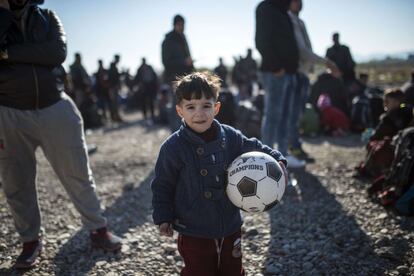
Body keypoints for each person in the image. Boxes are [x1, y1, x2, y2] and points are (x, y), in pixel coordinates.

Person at [0, 0, 121, 269]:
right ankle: (30, 241)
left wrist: (8, 54)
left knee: (77, 172)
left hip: (55, 105)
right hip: (8, 109)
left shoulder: (48, 17)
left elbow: (56, 52)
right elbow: (40, 53)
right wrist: (4, 16)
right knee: (15, 182)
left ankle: (98, 229)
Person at [151, 72, 288, 275]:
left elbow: (254, 146)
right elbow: (163, 185)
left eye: (206, 106)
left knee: (232, 268)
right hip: (193, 228)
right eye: (191, 107)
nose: (199, 113)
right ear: (180, 111)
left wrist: (277, 159)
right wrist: (163, 216)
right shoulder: (172, 148)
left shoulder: (230, 136)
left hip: (230, 224)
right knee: (199, 270)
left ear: (216, 108)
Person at [255, 0, 306, 168]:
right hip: (275, 72)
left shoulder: (284, 11)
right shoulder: (266, 8)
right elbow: (261, 40)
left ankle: (282, 157)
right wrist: (276, 66)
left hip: (290, 73)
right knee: (273, 116)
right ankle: (266, 159)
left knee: (285, 116)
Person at [288, 0, 339, 160]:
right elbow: (302, 51)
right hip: (295, 73)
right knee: (293, 114)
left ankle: (294, 146)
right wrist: (327, 62)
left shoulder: (299, 21)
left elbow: (307, 50)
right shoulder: (289, 19)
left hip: (303, 74)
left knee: (298, 113)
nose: (299, 3)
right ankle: (292, 148)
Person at [161, 14, 194, 84]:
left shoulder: (183, 39)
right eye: (180, 25)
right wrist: (184, 62)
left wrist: (191, 64)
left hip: (186, 78)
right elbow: (166, 62)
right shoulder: (168, 41)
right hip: (173, 80)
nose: (182, 27)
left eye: (183, 25)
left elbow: (187, 56)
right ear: (174, 25)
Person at [134, 58, 158, 124]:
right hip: (145, 87)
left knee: (149, 102)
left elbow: (154, 76)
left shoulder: (147, 67)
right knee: (145, 102)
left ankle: (150, 115)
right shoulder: (141, 68)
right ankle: (147, 115)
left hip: (149, 87)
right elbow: (137, 78)